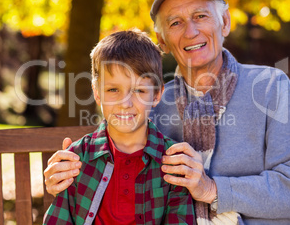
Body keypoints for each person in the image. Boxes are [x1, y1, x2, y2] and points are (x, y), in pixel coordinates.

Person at [44, 0, 290, 224]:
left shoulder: (269, 86)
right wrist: (67, 172)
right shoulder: (152, 101)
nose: (190, 31)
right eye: (175, 22)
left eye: (200, 16)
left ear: (225, 22)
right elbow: (116, 147)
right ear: (161, 41)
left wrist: (211, 189)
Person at [43, 29, 196, 224]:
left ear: (157, 95)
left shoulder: (172, 162)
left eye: (139, 90)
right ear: (97, 93)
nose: (125, 102)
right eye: (113, 89)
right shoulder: (77, 158)